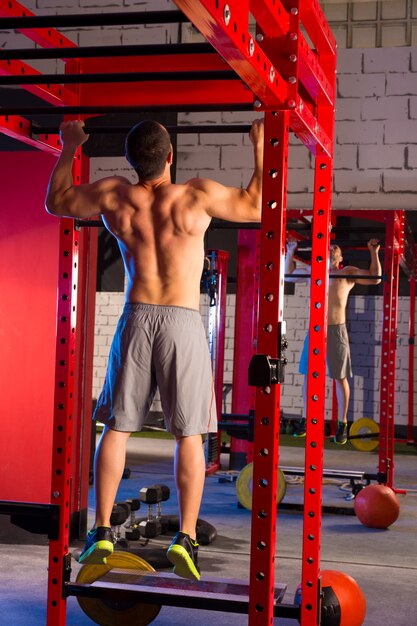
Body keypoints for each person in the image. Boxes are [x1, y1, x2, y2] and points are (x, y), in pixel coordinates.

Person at [45, 118, 264, 580]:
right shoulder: (195, 195)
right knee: (189, 435)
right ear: (170, 157)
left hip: (137, 315)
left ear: (130, 161)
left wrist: (69, 146)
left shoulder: (114, 196)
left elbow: (56, 201)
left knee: (118, 428)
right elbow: (257, 204)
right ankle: (185, 537)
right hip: (183, 320)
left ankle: (101, 531)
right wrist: (261, 146)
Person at [285, 238, 381, 444]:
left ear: (341, 258)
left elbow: (375, 279)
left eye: (336, 247)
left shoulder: (346, 272)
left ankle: (342, 423)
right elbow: (289, 276)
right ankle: (306, 418)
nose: (332, 248)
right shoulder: (313, 271)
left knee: (340, 377)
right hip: (315, 331)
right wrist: (291, 251)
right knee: (309, 376)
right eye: (330, 246)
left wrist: (373, 252)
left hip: (336, 331)